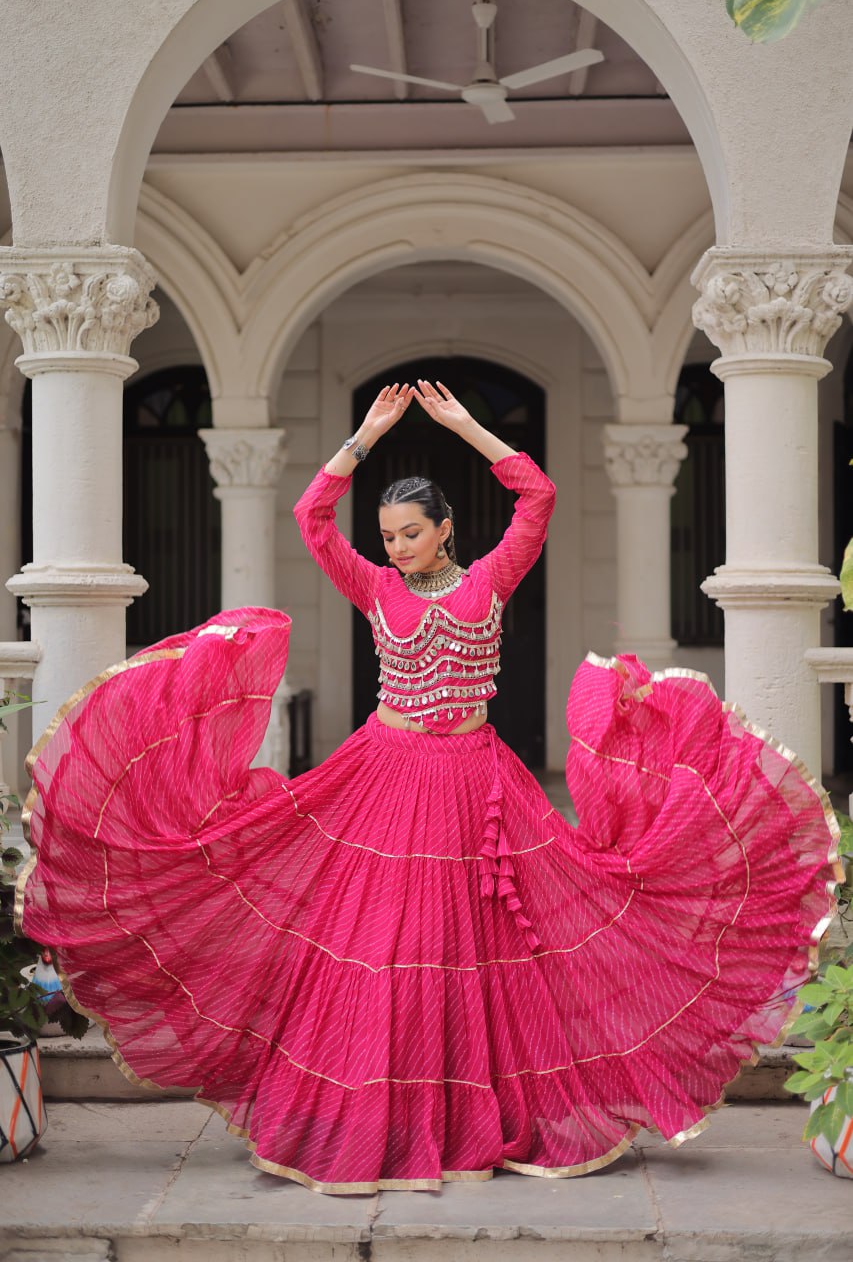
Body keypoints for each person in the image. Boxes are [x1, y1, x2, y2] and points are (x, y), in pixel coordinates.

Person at [17, 380, 841, 1194]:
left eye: (410, 533)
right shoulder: (375, 587)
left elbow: (539, 496)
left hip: (474, 780)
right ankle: (372, 1124)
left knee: (481, 951)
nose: (395, 547)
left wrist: (468, 427)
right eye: (386, 535)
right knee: (377, 947)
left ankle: (467, 1120)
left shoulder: (488, 580)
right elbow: (310, 518)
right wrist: (363, 438)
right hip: (383, 775)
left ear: (445, 530)